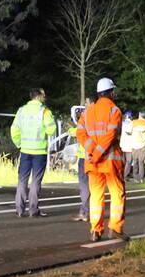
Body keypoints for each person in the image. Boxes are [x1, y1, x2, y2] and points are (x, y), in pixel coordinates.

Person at [76, 78, 128, 242]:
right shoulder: (114, 111)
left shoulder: (87, 112)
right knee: (117, 194)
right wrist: (98, 153)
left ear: (99, 93)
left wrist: (92, 150)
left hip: (93, 163)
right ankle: (115, 228)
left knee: (96, 197)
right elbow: (110, 136)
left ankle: (95, 231)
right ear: (111, 92)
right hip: (110, 162)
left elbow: (80, 133)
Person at [10, 88, 56, 218]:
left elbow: (14, 129)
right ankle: (33, 210)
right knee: (35, 181)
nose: (45, 97)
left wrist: (19, 143)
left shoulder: (21, 110)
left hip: (25, 150)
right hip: (39, 152)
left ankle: (19, 210)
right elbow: (51, 130)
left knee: (22, 180)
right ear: (38, 96)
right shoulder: (44, 111)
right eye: (43, 95)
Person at [67, 101, 92, 221]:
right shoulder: (101, 117)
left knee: (85, 186)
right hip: (97, 156)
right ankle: (94, 213)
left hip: (85, 156)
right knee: (96, 186)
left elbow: (79, 132)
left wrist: (70, 129)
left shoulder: (86, 116)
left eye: (86, 103)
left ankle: (85, 212)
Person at [127, 112, 145, 184]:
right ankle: (141, 178)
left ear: (139, 114)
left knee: (135, 162)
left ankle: (136, 178)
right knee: (141, 163)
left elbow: (128, 132)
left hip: (134, 146)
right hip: (143, 146)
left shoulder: (133, 122)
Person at [120, 110, 134, 180]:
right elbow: (129, 132)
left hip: (122, 145)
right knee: (128, 161)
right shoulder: (131, 123)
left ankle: (121, 175)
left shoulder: (122, 123)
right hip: (129, 145)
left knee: (123, 161)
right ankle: (125, 176)